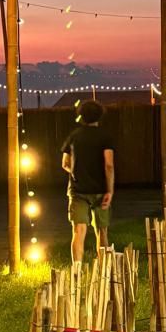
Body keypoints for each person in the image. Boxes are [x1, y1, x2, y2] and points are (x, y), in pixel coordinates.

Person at [60, 100, 115, 263]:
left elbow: (65, 163)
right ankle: (104, 268)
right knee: (102, 231)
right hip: (100, 190)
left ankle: (76, 270)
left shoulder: (74, 136)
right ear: (100, 116)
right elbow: (109, 165)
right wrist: (110, 190)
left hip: (78, 190)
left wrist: (76, 172)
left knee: (79, 230)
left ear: (81, 116)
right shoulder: (105, 137)